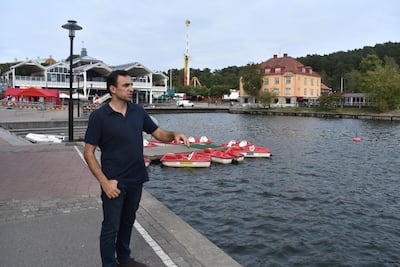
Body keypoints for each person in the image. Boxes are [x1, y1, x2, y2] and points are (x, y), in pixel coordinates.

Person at [84, 70, 190, 267]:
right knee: (110, 227)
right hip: (114, 182)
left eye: (131, 85)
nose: (131, 89)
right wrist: (104, 182)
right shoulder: (99, 116)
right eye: (126, 85)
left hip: (136, 178)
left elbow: (158, 133)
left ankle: (124, 259)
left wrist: (174, 134)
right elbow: (88, 152)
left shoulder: (137, 111)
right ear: (113, 89)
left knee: (127, 222)